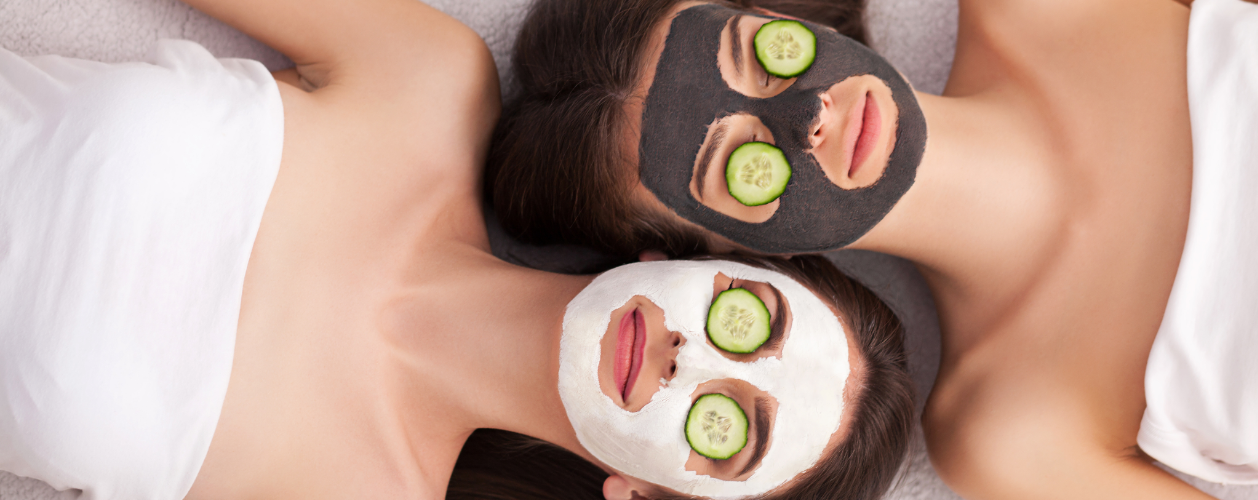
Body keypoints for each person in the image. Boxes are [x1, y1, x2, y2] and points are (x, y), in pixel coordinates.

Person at [0, 0, 917, 499]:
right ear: (691, 258)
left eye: (733, 429)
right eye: (747, 322)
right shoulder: (431, 87)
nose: (693, 355)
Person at [487, 0, 1258, 497]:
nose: (807, 111)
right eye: (734, 165)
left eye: (760, 54)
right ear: (723, 257)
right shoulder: (1007, 430)